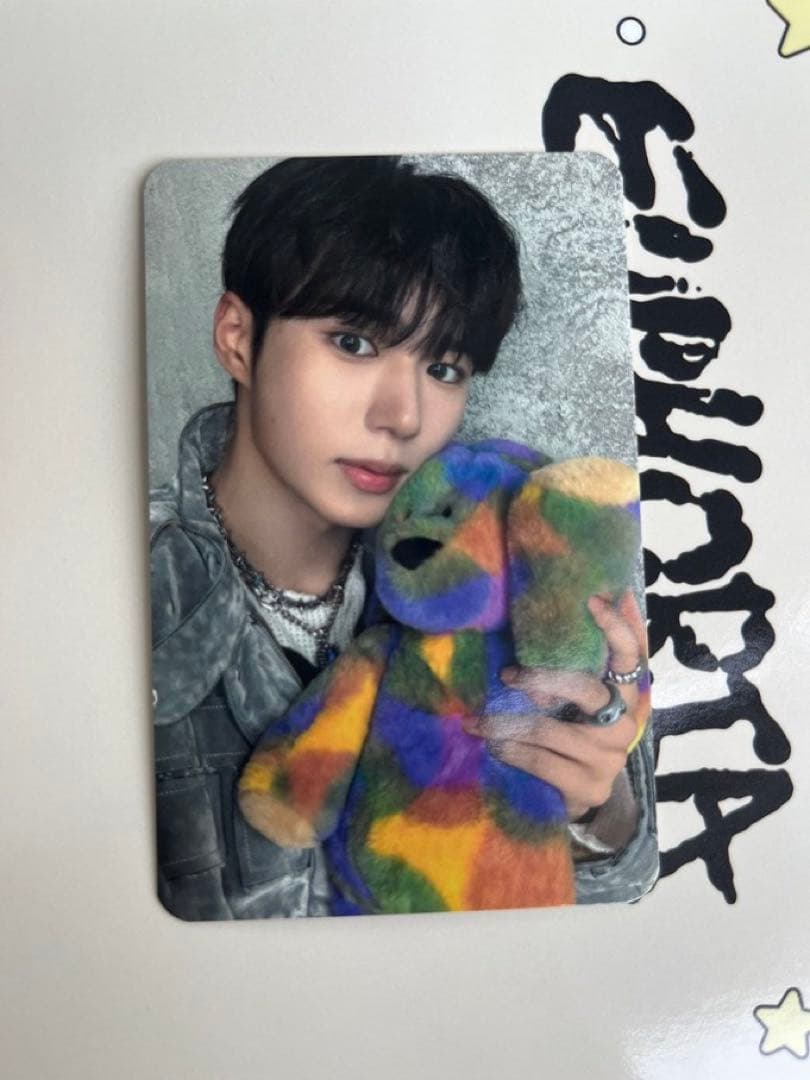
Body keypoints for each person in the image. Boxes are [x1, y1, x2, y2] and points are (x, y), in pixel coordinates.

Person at [149, 156, 656, 921]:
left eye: (445, 367)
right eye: (353, 343)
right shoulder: (120, 585)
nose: (405, 416)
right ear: (238, 338)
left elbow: (614, 907)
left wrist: (597, 811)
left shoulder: (502, 568)